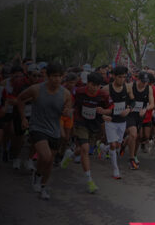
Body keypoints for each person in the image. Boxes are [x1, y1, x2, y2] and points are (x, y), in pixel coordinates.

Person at [18, 63, 72, 200]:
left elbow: (68, 111)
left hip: (54, 129)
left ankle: (42, 185)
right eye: (54, 76)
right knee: (46, 156)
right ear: (47, 76)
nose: (57, 79)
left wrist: (67, 112)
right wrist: (23, 118)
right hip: (37, 127)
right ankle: (37, 176)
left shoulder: (66, 94)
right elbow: (20, 99)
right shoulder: (36, 89)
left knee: (49, 162)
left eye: (59, 76)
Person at [66, 72, 112, 190]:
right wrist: (70, 110)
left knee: (83, 149)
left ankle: (70, 154)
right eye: (92, 85)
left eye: (97, 85)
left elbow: (111, 107)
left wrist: (104, 112)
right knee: (85, 148)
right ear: (88, 83)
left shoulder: (103, 95)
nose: (95, 88)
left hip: (95, 124)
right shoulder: (79, 92)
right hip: (81, 122)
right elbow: (71, 102)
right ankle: (89, 180)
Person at [103, 65, 131, 180]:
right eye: (120, 77)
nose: (122, 79)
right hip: (111, 120)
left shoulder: (127, 87)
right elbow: (99, 104)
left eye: (124, 77)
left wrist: (128, 109)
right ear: (114, 76)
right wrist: (104, 115)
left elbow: (132, 101)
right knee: (113, 145)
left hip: (122, 121)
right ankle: (115, 169)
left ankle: (104, 148)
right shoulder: (106, 89)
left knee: (118, 145)